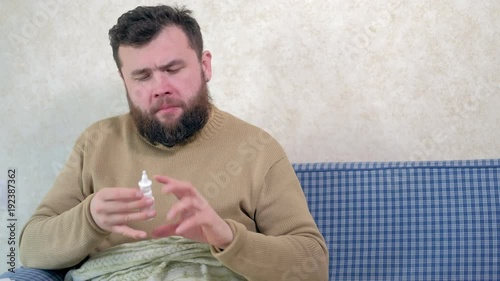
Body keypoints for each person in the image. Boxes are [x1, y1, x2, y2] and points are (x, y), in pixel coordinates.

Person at [2, 4, 328, 280]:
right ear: (124, 82)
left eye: (173, 68)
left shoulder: (257, 148)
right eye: (142, 76)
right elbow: (30, 247)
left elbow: (313, 262)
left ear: (204, 66)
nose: (160, 88)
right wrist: (89, 220)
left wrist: (226, 237)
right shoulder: (95, 142)